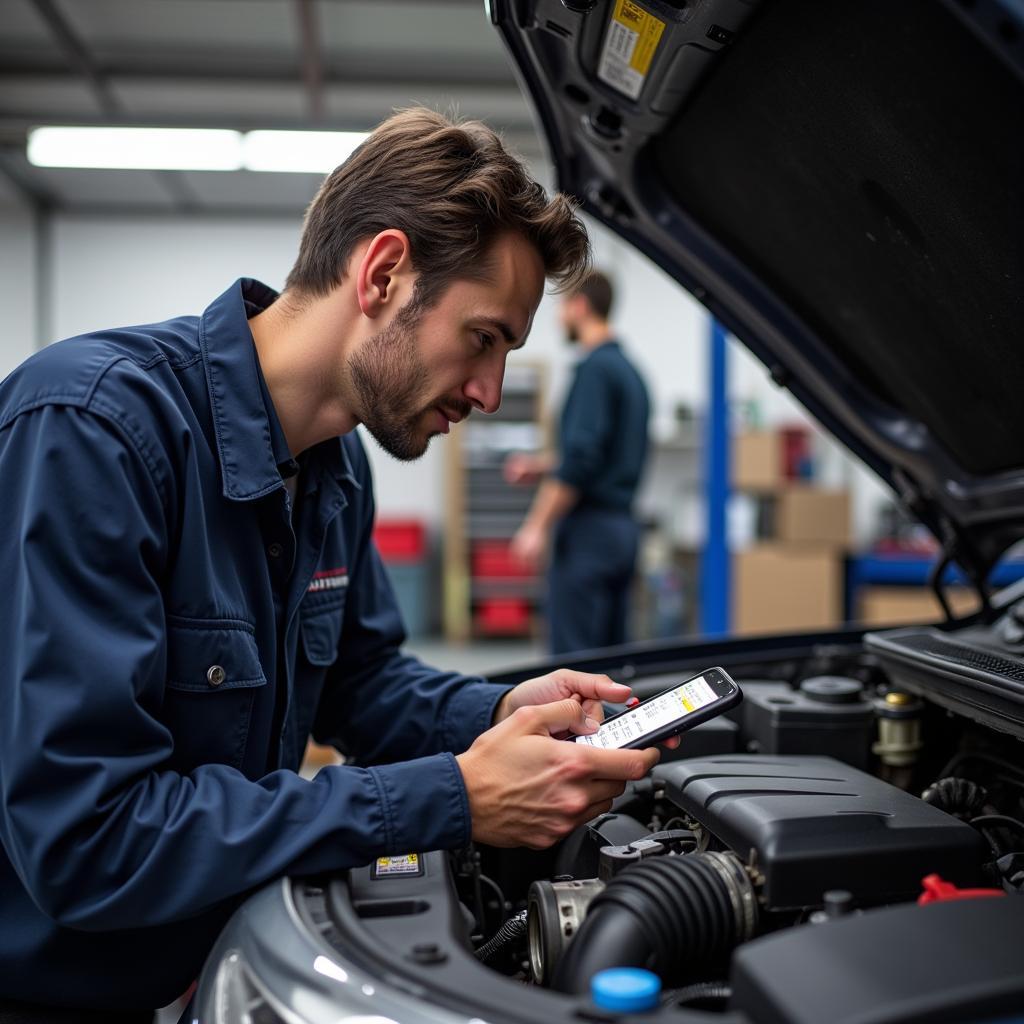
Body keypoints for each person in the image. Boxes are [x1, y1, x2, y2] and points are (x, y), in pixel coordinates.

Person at [0, 109, 670, 1022]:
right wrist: (449, 797)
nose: (488, 393)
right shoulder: (94, 432)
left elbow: (360, 682)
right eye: (484, 338)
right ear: (383, 272)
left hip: (214, 962)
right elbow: (90, 839)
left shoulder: (337, 467)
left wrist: (498, 710)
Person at [506, 271, 650, 654]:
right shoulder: (629, 372)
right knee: (611, 660)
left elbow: (581, 462)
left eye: (561, 308)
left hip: (589, 534)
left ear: (580, 307)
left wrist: (535, 526)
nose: (558, 319)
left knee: (574, 664)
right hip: (621, 531)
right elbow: (603, 453)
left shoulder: (594, 371)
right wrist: (541, 466)